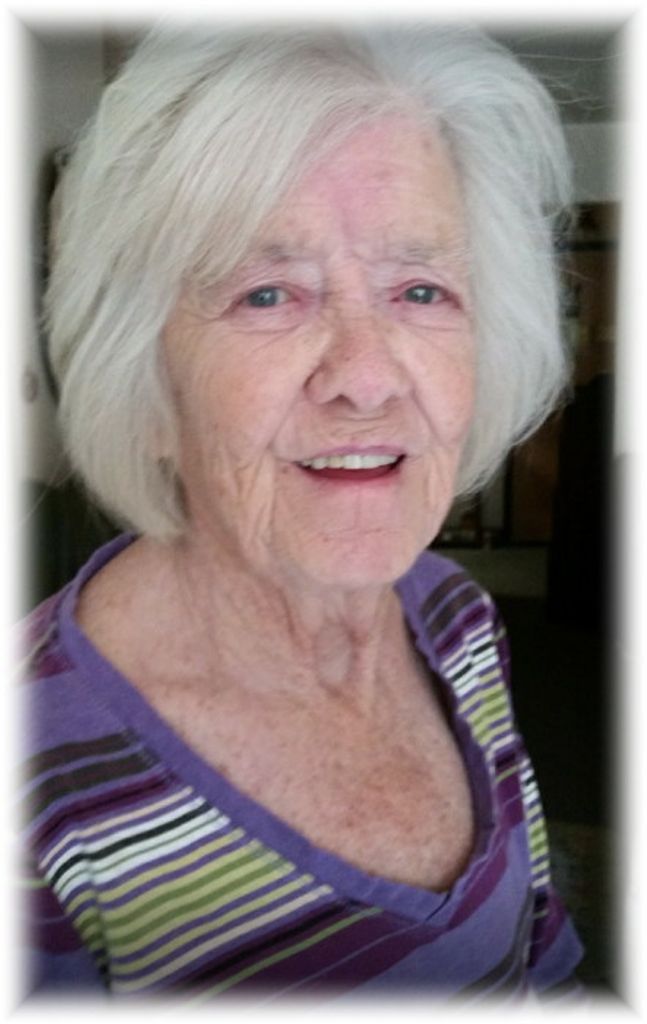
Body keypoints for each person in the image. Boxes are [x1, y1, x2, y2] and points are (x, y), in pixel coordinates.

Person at [20, 23, 583, 1002]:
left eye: (420, 289)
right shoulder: (34, 778)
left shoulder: (454, 615)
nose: (367, 376)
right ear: (146, 383)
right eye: (268, 294)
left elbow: (543, 952)